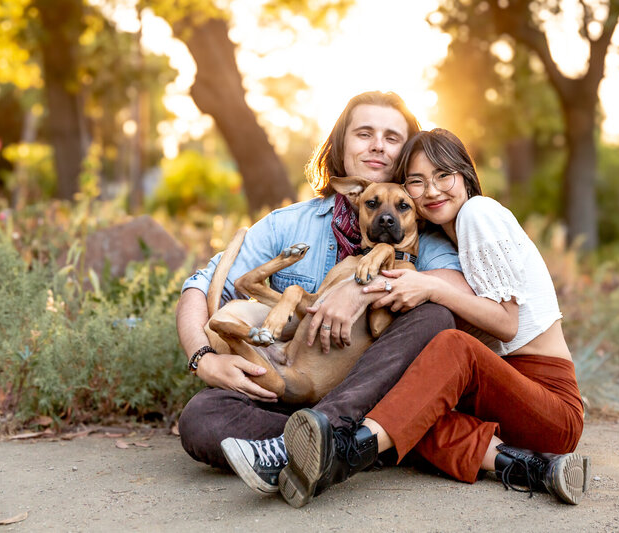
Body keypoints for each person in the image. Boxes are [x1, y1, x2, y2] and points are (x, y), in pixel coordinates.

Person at [271, 128, 589, 508]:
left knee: (452, 345)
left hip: (549, 403)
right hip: (503, 406)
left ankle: (344, 453)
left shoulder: (478, 212)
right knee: (405, 406)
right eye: (417, 182)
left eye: (444, 176)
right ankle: (533, 468)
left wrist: (432, 288)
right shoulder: (441, 240)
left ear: (466, 176)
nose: (433, 191)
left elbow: (507, 325)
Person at [176, 93, 466, 493]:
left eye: (392, 137)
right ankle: (339, 447)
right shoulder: (287, 224)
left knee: (437, 315)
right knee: (201, 418)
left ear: (407, 155)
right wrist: (202, 358)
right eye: (365, 133)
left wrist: (364, 291)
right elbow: (200, 287)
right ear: (341, 145)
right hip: (281, 385)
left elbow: (460, 291)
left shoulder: (419, 227)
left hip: (364, 398)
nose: (378, 145)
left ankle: (314, 441)